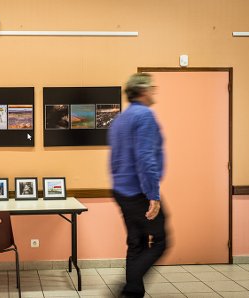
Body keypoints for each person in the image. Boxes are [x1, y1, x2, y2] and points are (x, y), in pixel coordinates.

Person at [109, 73, 167, 298]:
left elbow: (114, 160)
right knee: (162, 240)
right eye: (152, 87)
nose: (154, 91)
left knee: (136, 242)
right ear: (142, 91)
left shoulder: (120, 119)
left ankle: (133, 292)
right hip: (140, 191)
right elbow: (146, 158)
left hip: (122, 190)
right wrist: (153, 194)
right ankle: (129, 285)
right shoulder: (144, 115)